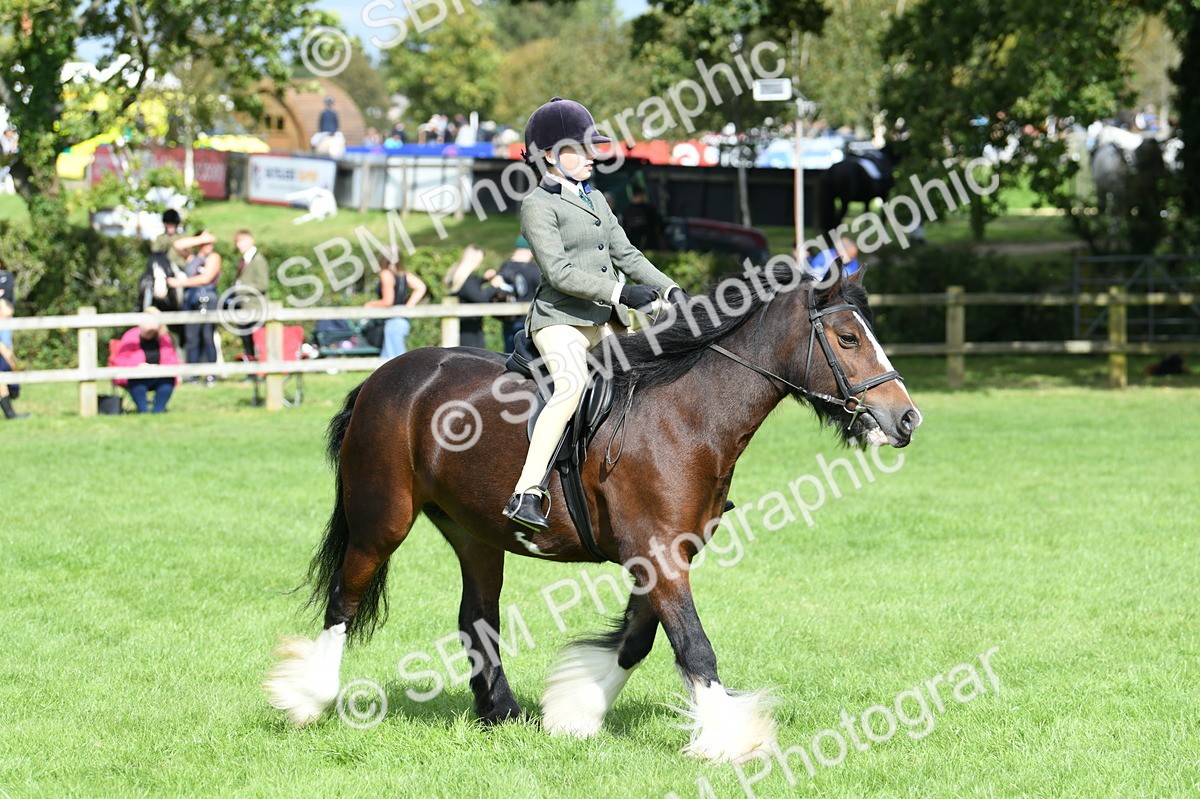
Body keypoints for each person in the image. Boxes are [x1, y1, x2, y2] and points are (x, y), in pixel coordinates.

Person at [503, 96, 683, 531]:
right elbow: (560, 273)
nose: (592, 157)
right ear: (550, 156)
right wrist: (623, 292)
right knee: (571, 386)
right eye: (580, 149)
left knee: (656, 381)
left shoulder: (596, 199)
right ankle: (527, 491)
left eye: (592, 148)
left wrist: (669, 287)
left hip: (604, 323)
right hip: (560, 321)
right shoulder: (538, 205)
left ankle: (670, 486)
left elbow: (627, 253)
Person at [167, 230, 221, 382]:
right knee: (191, 338)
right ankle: (193, 373)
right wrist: (200, 239)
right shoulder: (192, 258)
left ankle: (212, 372)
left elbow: (206, 278)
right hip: (190, 300)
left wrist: (180, 283)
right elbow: (177, 244)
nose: (210, 245)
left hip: (207, 299)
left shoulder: (213, 257)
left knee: (207, 336)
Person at [112, 307, 181, 413]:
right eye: (148, 332)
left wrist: (159, 368)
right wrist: (138, 366)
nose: (150, 334)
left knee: (167, 381)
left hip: (159, 375)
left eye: (152, 332)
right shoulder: (130, 336)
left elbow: (172, 360)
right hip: (137, 376)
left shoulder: (164, 338)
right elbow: (120, 361)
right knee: (136, 382)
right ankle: (143, 411)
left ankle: (158, 411)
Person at [364, 251, 427, 359]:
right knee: (396, 359)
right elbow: (421, 287)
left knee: (395, 361)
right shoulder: (404, 275)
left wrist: (370, 304)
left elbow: (388, 301)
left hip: (392, 322)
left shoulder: (386, 274)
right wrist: (407, 308)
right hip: (402, 321)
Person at [444, 245, 499, 350]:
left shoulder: (459, 276)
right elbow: (481, 298)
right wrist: (493, 287)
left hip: (463, 327)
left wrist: (484, 279)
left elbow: (470, 289)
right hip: (470, 330)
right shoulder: (467, 280)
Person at [495, 235, 541, 353]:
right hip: (527, 321)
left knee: (508, 354)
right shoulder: (534, 270)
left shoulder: (504, 267)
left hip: (507, 318)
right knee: (526, 356)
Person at [232, 230, 269, 358]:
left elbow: (262, 284)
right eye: (237, 242)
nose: (238, 245)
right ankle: (252, 372)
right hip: (245, 307)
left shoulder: (257, 260)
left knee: (257, 343)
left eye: (241, 241)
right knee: (247, 342)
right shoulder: (245, 260)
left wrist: (240, 290)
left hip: (255, 307)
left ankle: (258, 372)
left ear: (250, 240)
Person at [0, 298, 24, 420]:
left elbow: (8, 345)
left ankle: (10, 413)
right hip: (2, 356)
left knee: (7, 383)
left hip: (5, 356)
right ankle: (10, 414)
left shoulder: (8, 322)